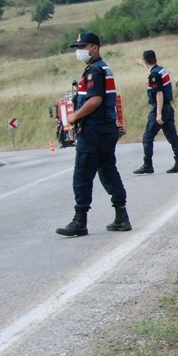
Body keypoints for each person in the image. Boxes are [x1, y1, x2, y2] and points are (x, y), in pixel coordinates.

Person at [56, 31, 130, 236]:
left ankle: (80, 220)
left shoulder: (94, 72)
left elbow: (94, 100)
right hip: (107, 129)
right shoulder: (104, 69)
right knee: (107, 170)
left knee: (82, 174)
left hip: (94, 130)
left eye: (82, 47)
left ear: (94, 48)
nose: (79, 51)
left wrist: (73, 117)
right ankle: (121, 215)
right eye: (78, 48)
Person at [134, 49, 178, 174]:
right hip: (168, 108)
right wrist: (141, 63)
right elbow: (151, 69)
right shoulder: (162, 70)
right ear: (155, 59)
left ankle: (148, 165)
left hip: (160, 108)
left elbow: (159, 93)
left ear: (146, 61)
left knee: (147, 137)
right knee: (173, 137)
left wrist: (158, 113)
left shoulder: (154, 75)